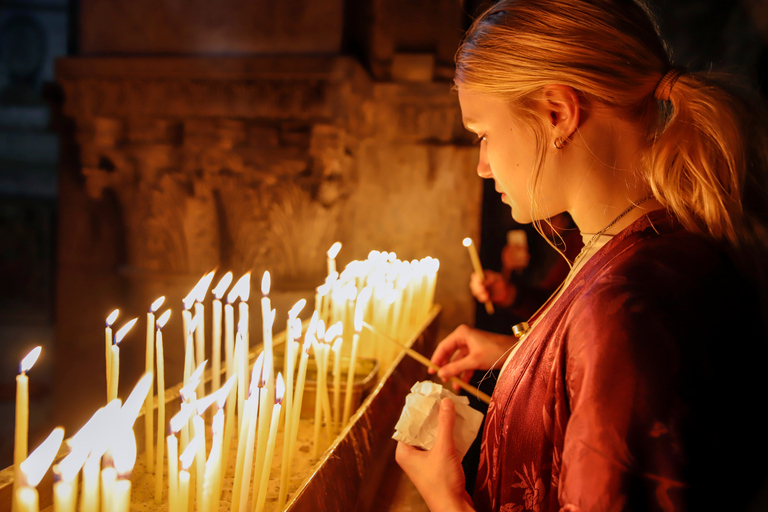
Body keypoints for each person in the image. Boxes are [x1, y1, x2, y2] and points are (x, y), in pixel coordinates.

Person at [394, 1, 768, 511]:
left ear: (558, 113)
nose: (482, 165)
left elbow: (623, 353)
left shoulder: (626, 307)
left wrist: (446, 501)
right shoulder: (655, 242)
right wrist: (519, 358)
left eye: (483, 134)